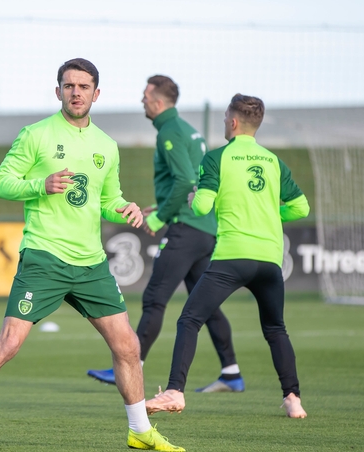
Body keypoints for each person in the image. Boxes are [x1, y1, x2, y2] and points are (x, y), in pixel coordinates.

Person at [0, 58, 184, 452]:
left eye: (84, 87)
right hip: (44, 257)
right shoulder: (35, 135)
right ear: (58, 91)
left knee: (128, 346)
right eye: (69, 86)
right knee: (9, 343)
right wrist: (40, 184)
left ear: (96, 94)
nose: (76, 92)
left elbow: (107, 200)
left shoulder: (106, 146)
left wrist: (125, 208)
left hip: (91, 263)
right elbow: (0, 183)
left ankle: (139, 430)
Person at [145, 93, 310, 419]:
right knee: (276, 329)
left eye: (224, 118)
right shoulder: (274, 161)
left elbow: (203, 205)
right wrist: (266, 213)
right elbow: (301, 207)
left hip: (233, 256)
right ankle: (293, 399)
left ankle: (175, 392)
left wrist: (194, 198)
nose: (223, 122)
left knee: (189, 319)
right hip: (269, 260)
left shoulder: (217, 158)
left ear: (233, 122)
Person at [87, 75, 244, 393]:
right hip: (203, 228)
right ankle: (231, 372)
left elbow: (186, 182)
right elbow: (191, 184)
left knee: (155, 298)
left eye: (145, 95)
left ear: (158, 102)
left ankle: (131, 367)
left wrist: (159, 217)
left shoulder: (169, 132)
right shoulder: (188, 130)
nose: (142, 100)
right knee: (205, 306)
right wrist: (160, 206)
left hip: (185, 230)